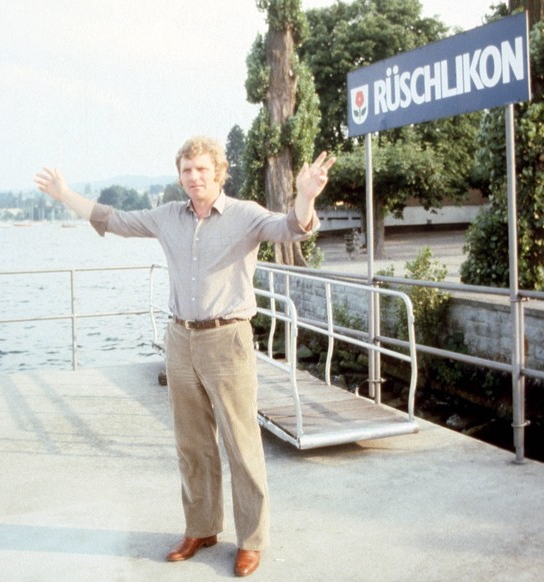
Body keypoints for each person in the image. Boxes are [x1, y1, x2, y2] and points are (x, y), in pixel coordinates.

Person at [35, 136, 335, 577]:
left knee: (241, 444)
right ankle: (202, 527)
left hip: (228, 339)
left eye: (201, 170)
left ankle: (252, 540)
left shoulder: (246, 214)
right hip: (180, 339)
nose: (194, 177)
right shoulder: (167, 217)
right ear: (180, 175)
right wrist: (64, 195)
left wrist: (306, 197)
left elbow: (290, 227)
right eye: (187, 170)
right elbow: (112, 219)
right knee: (192, 443)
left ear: (219, 172)